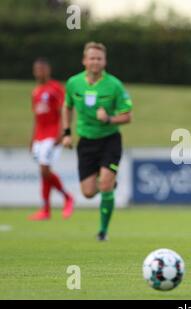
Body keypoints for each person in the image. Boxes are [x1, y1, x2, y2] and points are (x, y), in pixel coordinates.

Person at [62, 42, 133, 241]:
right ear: (84, 60)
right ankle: (109, 182)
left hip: (110, 140)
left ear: (104, 62)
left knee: (105, 185)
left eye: (99, 58)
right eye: (91, 58)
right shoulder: (73, 83)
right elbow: (66, 107)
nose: (95, 62)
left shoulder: (115, 85)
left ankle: (103, 232)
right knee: (88, 192)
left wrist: (109, 118)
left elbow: (128, 116)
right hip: (86, 141)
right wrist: (66, 133)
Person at [28, 58, 74, 221]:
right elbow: (37, 118)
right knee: (44, 173)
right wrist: (32, 139)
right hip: (39, 137)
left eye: (42, 69)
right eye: (36, 69)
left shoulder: (55, 88)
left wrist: (61, 133)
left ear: (48, 70)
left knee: (44, 169)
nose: (39, 72)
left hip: (52, 134)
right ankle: (46, 210)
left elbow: (65, 110)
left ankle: (67, 198)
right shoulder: (36, 92)